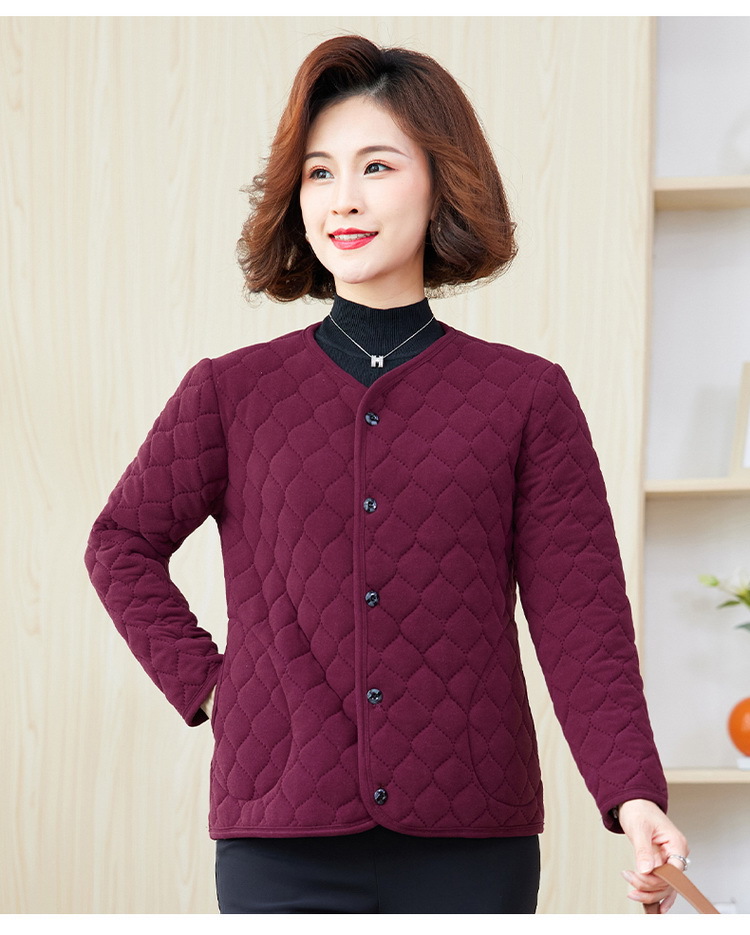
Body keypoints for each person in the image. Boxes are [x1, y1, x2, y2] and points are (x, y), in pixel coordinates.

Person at [85, 35, 689, 914]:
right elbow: (120, 542)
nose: (344, 198)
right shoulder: (230, 391)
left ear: (441, 181)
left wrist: (632, 793)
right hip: (281, 835)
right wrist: (214, 684)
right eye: (319, 173)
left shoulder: (526, 397)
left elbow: (581, 614)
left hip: (472, 837)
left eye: (377, 166)